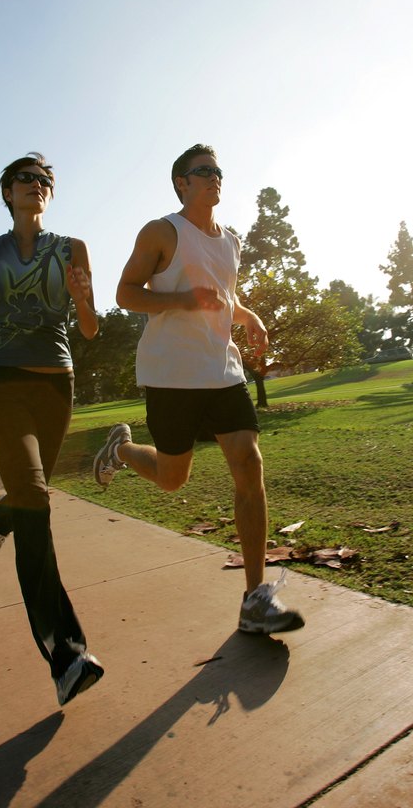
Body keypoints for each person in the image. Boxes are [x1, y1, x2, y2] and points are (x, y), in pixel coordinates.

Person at [94, 143, 304, 635]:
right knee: (172, 479)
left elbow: (224, 296)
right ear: (181, 183)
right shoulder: (161, 231)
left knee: (249, 465)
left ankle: (255, 599)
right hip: (171, 374)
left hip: (222, 371)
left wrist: (247, 316)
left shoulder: (229, 241)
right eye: (201, 171)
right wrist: (183, 298)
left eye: (217, 170)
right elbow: (126, 294)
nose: (213, 177)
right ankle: (122, 449)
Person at [0, 151, 104, 706]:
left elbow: (88, 329)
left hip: (55, 386)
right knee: (36, 497)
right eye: (26, 179)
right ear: (7, 191)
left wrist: (84, 294)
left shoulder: (73, 248)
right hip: (0, 384)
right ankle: (67, 657)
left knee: (28, 496)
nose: (36, 185)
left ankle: (1, 515)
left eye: (45, 181)